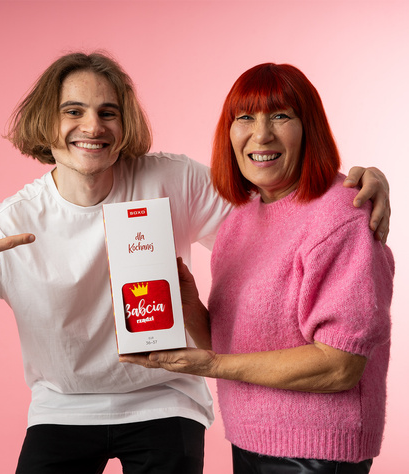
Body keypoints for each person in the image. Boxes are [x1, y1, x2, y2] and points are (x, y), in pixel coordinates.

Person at [0, 53, 391, 474]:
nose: (92, 126)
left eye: (108, 112)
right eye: (73, 111)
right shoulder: (6, 224)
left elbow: (280, 198)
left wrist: (356, 184)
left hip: (165, 397)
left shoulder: (174, 178)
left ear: (124, 121)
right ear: (45, 123)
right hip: (64, 404)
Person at [120, 63, 395, 474]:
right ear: (229, 133)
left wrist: (210, 365)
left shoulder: (342, 214)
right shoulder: (239, 222)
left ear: (309, 128)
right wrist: (188, 301)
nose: (261, 134)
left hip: (318, 450)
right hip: (249, 439)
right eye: (245, 117)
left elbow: (341, 364)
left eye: (281, 116)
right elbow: (233, 340)